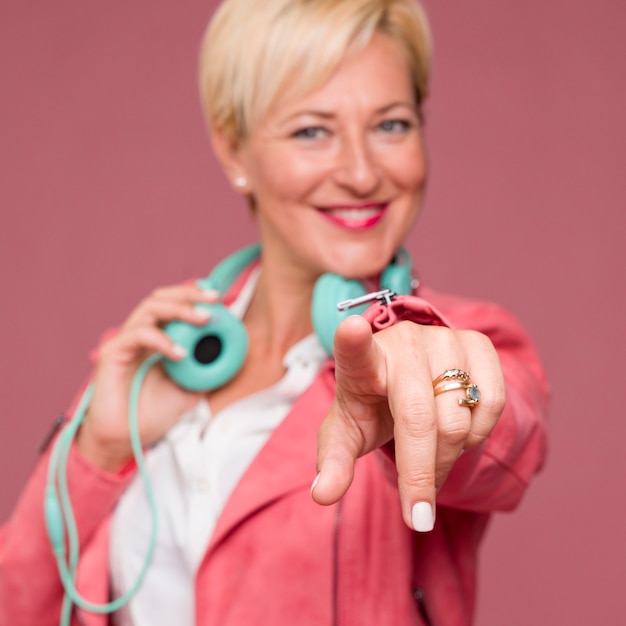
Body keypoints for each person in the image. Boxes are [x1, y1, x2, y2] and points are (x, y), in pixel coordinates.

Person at [0, 0, 549, 625]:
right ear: (235, 152)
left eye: (391, 125)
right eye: (312, 130)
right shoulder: (161, 350)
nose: (362, 171)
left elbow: (503, 434)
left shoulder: (458, 341)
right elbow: (19, 605)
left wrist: (440, 380)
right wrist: (97, 450)